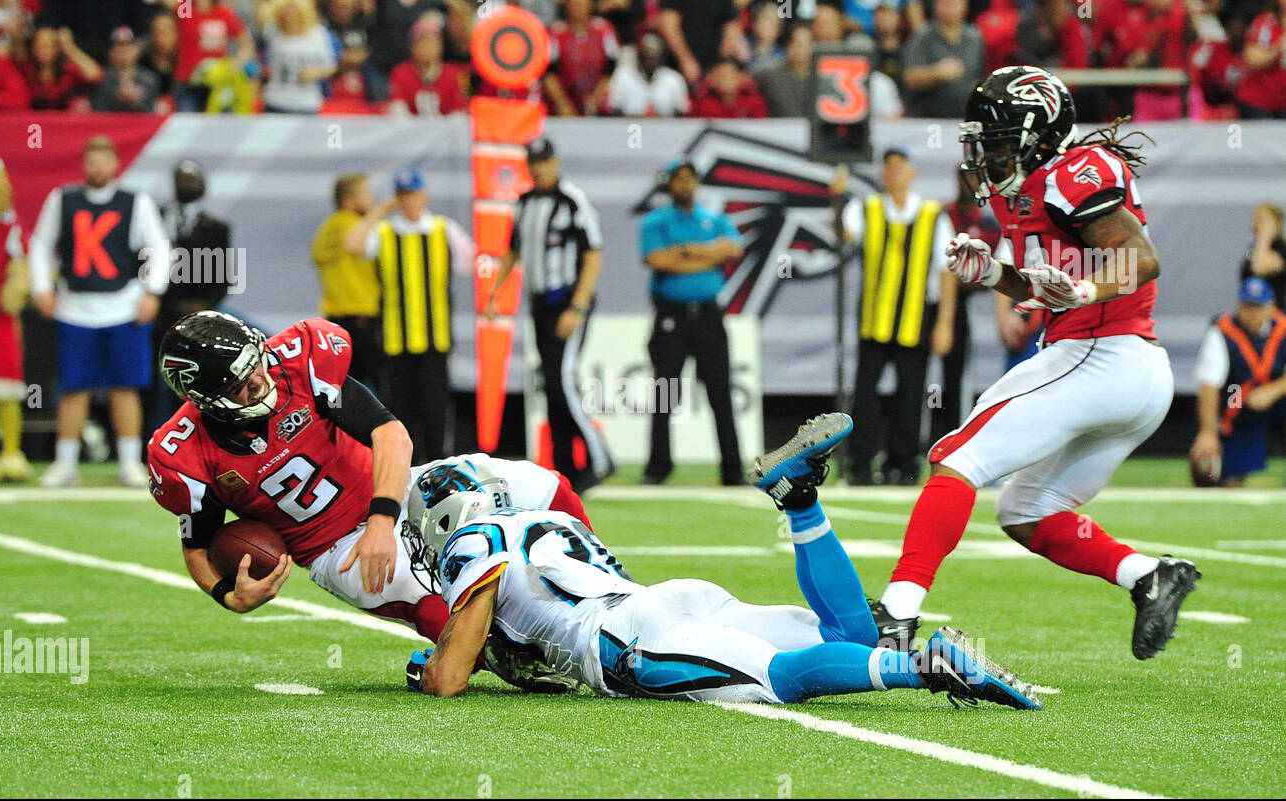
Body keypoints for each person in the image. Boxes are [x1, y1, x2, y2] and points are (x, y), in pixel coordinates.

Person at [870, 66, 1199, 661]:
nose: (984, 154)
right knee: (1024, 511)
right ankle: (1148, 576)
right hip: (1120, 370)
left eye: (995, 140)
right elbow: (1048, 279)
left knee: (954, 457)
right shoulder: (1027, 185)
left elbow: (1140, 259)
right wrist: (993, 276)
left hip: (1103, 355)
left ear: (1039, 135)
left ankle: (897, 612)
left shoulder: (1074, 174)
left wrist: (1083, 293)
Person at [405, 412, 1042, 710]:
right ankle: (799, 505)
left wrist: (441, 663)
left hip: (631, 638)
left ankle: (927, 668)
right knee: (849, 634)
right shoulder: (548, 519)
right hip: (671, 600)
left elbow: (452, 676)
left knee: (782, 678)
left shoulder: (472, 541)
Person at [147, 325, 584, 688]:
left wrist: (381, 522)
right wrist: (227, 595)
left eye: (254, 363)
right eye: (240, 384)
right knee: (437, 604)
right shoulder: (185, 453)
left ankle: (602, 582)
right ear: (206, 401)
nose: (259, 380)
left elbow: (391, 435)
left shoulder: (298, 362)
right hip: (333, 548)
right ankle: (504, 655)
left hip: (392, 489)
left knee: (544, 486)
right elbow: (197, 547)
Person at [29, 135, 170, 488]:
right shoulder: (63, 199)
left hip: (123, 305)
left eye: (103, 161)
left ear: (115, 165)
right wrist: (41, 287)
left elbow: (158, 246)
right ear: (83, 164)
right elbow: (41, 243)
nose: (97, 169)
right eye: (91, 162)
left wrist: (153, 291)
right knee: (74, 388)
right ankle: (65, 463)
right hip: (74, 307)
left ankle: (129, 462)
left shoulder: (134, 201)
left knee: (126, 386)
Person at [485, 137, 612, 492]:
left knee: (561, 378)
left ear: (555, 162)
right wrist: (495, 294)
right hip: (540, 304)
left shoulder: (572, 201)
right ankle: (566, 466)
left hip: (568, 300)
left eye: (544, 161)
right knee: (553, 386)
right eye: (533, 162)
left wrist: (578, 306)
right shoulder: (524, 204)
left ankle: (601, 458)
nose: (538, 168)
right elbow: (512, 251)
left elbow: (593, 256)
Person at [834, 147, 958, 486]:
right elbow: (844, 236)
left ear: (912, 173)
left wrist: (945, 322)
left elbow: (946, 271)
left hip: (915, 320)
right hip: (875, 320)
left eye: (900, 167)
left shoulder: (933, 215)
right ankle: (861, 463)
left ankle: (903, 464)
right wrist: (836, 200)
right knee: (865, 395)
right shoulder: (866, 208)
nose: (894, 174)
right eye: (888, 168)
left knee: (911, 394)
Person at [345, 166, 475, 462]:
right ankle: (404, 469)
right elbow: (352, 244)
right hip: (395, 339)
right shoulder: (386, 232)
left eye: (413, 195)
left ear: (424, 195)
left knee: (435, 410)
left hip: (435, 338)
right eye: (402, 196)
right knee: (400, 410)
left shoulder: (444, 230)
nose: (409, 202)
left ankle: (439, 464)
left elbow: (474, 264)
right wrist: (377, 212)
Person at [639, 157, 744, 487]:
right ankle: (658, 467)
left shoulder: (715, 219)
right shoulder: (656, 222)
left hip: (709, 317)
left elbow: (732, 249)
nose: (685, 184)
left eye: (690, 178)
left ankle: (732, 470)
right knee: (665, 394)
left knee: (720, 394)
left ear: (697, 182)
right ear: (670, 184)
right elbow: (657, 260)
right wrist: (706, 256)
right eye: (678, 179)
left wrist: (683, 252)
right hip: (672, 317)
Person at [150, 159, 232, 431]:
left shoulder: (216, 228)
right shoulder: (154, 218)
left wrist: (205, 306)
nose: (186, 184)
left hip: (196, 320)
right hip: (157, 313)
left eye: (192, 179)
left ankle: (192, 439)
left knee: (192, 381)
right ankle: (144, 445)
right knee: (151, 381)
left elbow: (223, 277)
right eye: (181, 178)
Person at [1190, 277, 1286, 487]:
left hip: (1275, 399)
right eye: (1246, 306)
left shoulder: (1283, 328)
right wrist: (1207, 432)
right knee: (1221, 478)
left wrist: (1274, 390)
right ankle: (1232, 470)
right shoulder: (1222, 332)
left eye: (1257, 307)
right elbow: (1209, 385)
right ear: (1238, 305)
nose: (1251, 313)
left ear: (1270, 308)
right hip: (1237, 400)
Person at [931, 164, 1000, 445]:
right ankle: (912, 445)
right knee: (915, 373)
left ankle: (953, 439)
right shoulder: (939, 216)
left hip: (960, 305)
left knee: (956, 376)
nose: (968, 183)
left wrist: (972, 278)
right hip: (925, 299)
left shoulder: (988, 225)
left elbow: (998, 271)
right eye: (964, 177)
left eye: (974, 177)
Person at [311, 173, 380, 392]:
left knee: (343, 386)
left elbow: (317, 257)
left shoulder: (326, 229)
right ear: (349, 200)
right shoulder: (358, 229)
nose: (371, 199)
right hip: (363, 315)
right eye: (366, 194)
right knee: (380, 387)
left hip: (335, 318)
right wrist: (379, 214)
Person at [0, 144, 29, 482]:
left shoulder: (6, 223)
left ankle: (11, 452)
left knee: (6, 384)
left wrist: (16, 284)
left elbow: (19, 259)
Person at [900, 0, 985, 118]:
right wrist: (936, 72)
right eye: (945, 3)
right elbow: (909, 77)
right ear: (936, 6)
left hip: (963, 116)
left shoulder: (974, 38)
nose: (950, 8)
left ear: (965, 7)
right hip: (927, 117)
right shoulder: (922, 37)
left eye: (955, 3)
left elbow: (981, 77)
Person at [257, 0, 337, 114]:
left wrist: (316, 72)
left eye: (293, 9)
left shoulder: (318, 34)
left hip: (306, 102)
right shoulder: (273, 31)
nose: (289, 14)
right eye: (285, 10)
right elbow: (261, 12)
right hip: (275, 100)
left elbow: (331, 65)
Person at [543, 0, 620, 117]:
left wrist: (596, 100)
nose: (578, 7)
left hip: (598, 102)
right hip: (565, 102)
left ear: (590, 5)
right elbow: (549, 73)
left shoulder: (604, 29)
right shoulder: (556, 32)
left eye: (582, 3)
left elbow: (611, 67)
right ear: (568, 6)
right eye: (575, 3)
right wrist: (562, 103)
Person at [386, 14, 469, 116]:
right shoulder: (401, 73)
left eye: (431, 43)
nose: (427, 48)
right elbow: (397, 109)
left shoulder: (454, 74)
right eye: (422, 43)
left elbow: (459, 111)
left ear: (440, 47)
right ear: (413, 47)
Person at [604, 31, 689, 117]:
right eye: (646, 57)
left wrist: (662, 119)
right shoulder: (623, 76)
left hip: (664, 128)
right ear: (639, 57)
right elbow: (612, 109)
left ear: (661, 59)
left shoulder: (674, 79)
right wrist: (635, 118)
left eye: (653, 58)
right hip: (630, 128)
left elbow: (682, 112)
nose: (650, 63)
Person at [657, 0, 742, 86]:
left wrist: (720, 63)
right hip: (679, 69)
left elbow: (731, 27)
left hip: (713, 70)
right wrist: (685, 60)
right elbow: (669, 25)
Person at [90, 26, 162, 113]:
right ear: (110, 52)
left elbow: (150, 110)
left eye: (129, 45)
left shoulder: (149, 78)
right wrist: (117, 97)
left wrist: (137, 100)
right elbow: (98, 109)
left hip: (141, 124)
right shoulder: (100, 77)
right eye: (119, 45)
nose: (124, 51)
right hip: (108, 124)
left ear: (137, 51)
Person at [756, 24, 815, 118]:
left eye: (805, 44)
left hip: (813, 130)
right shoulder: (770, 74)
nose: (799, 48)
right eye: (795, 43)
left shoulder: (821, 76)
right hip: (779, 129)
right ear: (787, 46)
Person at [1241, 203, 1286, 310]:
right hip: (1250, 309)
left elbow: (1259, 268)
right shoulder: (1254, 247)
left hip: (1274, 313)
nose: (1255, 222)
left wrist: (1265, 235)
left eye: (1261, 219)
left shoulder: (1280, 248)